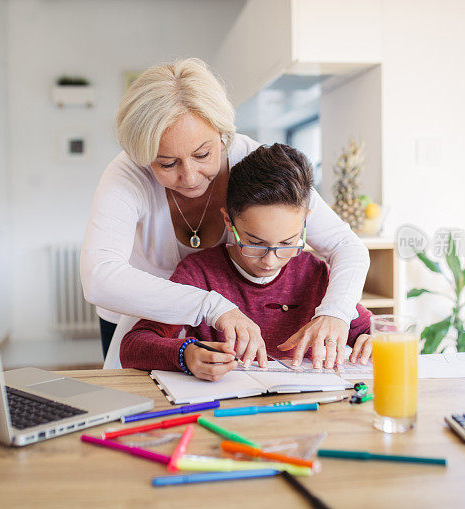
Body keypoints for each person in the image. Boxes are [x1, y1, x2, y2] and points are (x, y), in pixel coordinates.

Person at [80, 58, 370, 368]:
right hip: (141, 311)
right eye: (167, 163)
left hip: (222, 314)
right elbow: (99, 277)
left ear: (222, 133)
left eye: (203, 154)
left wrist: (335, 313)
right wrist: (212, 306)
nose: (190, 178)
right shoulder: (127, 174)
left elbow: (346, 245)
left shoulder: (256, 168)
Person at [119, 144, 373, 380]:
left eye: (287, 244)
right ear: (229, 222)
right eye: (255, 243)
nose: (271, 260)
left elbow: (371, 330)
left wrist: (374, 341)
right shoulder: (198, 274)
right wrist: (186, 354)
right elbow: (133, 346)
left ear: (305, 222)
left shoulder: (315, 274)